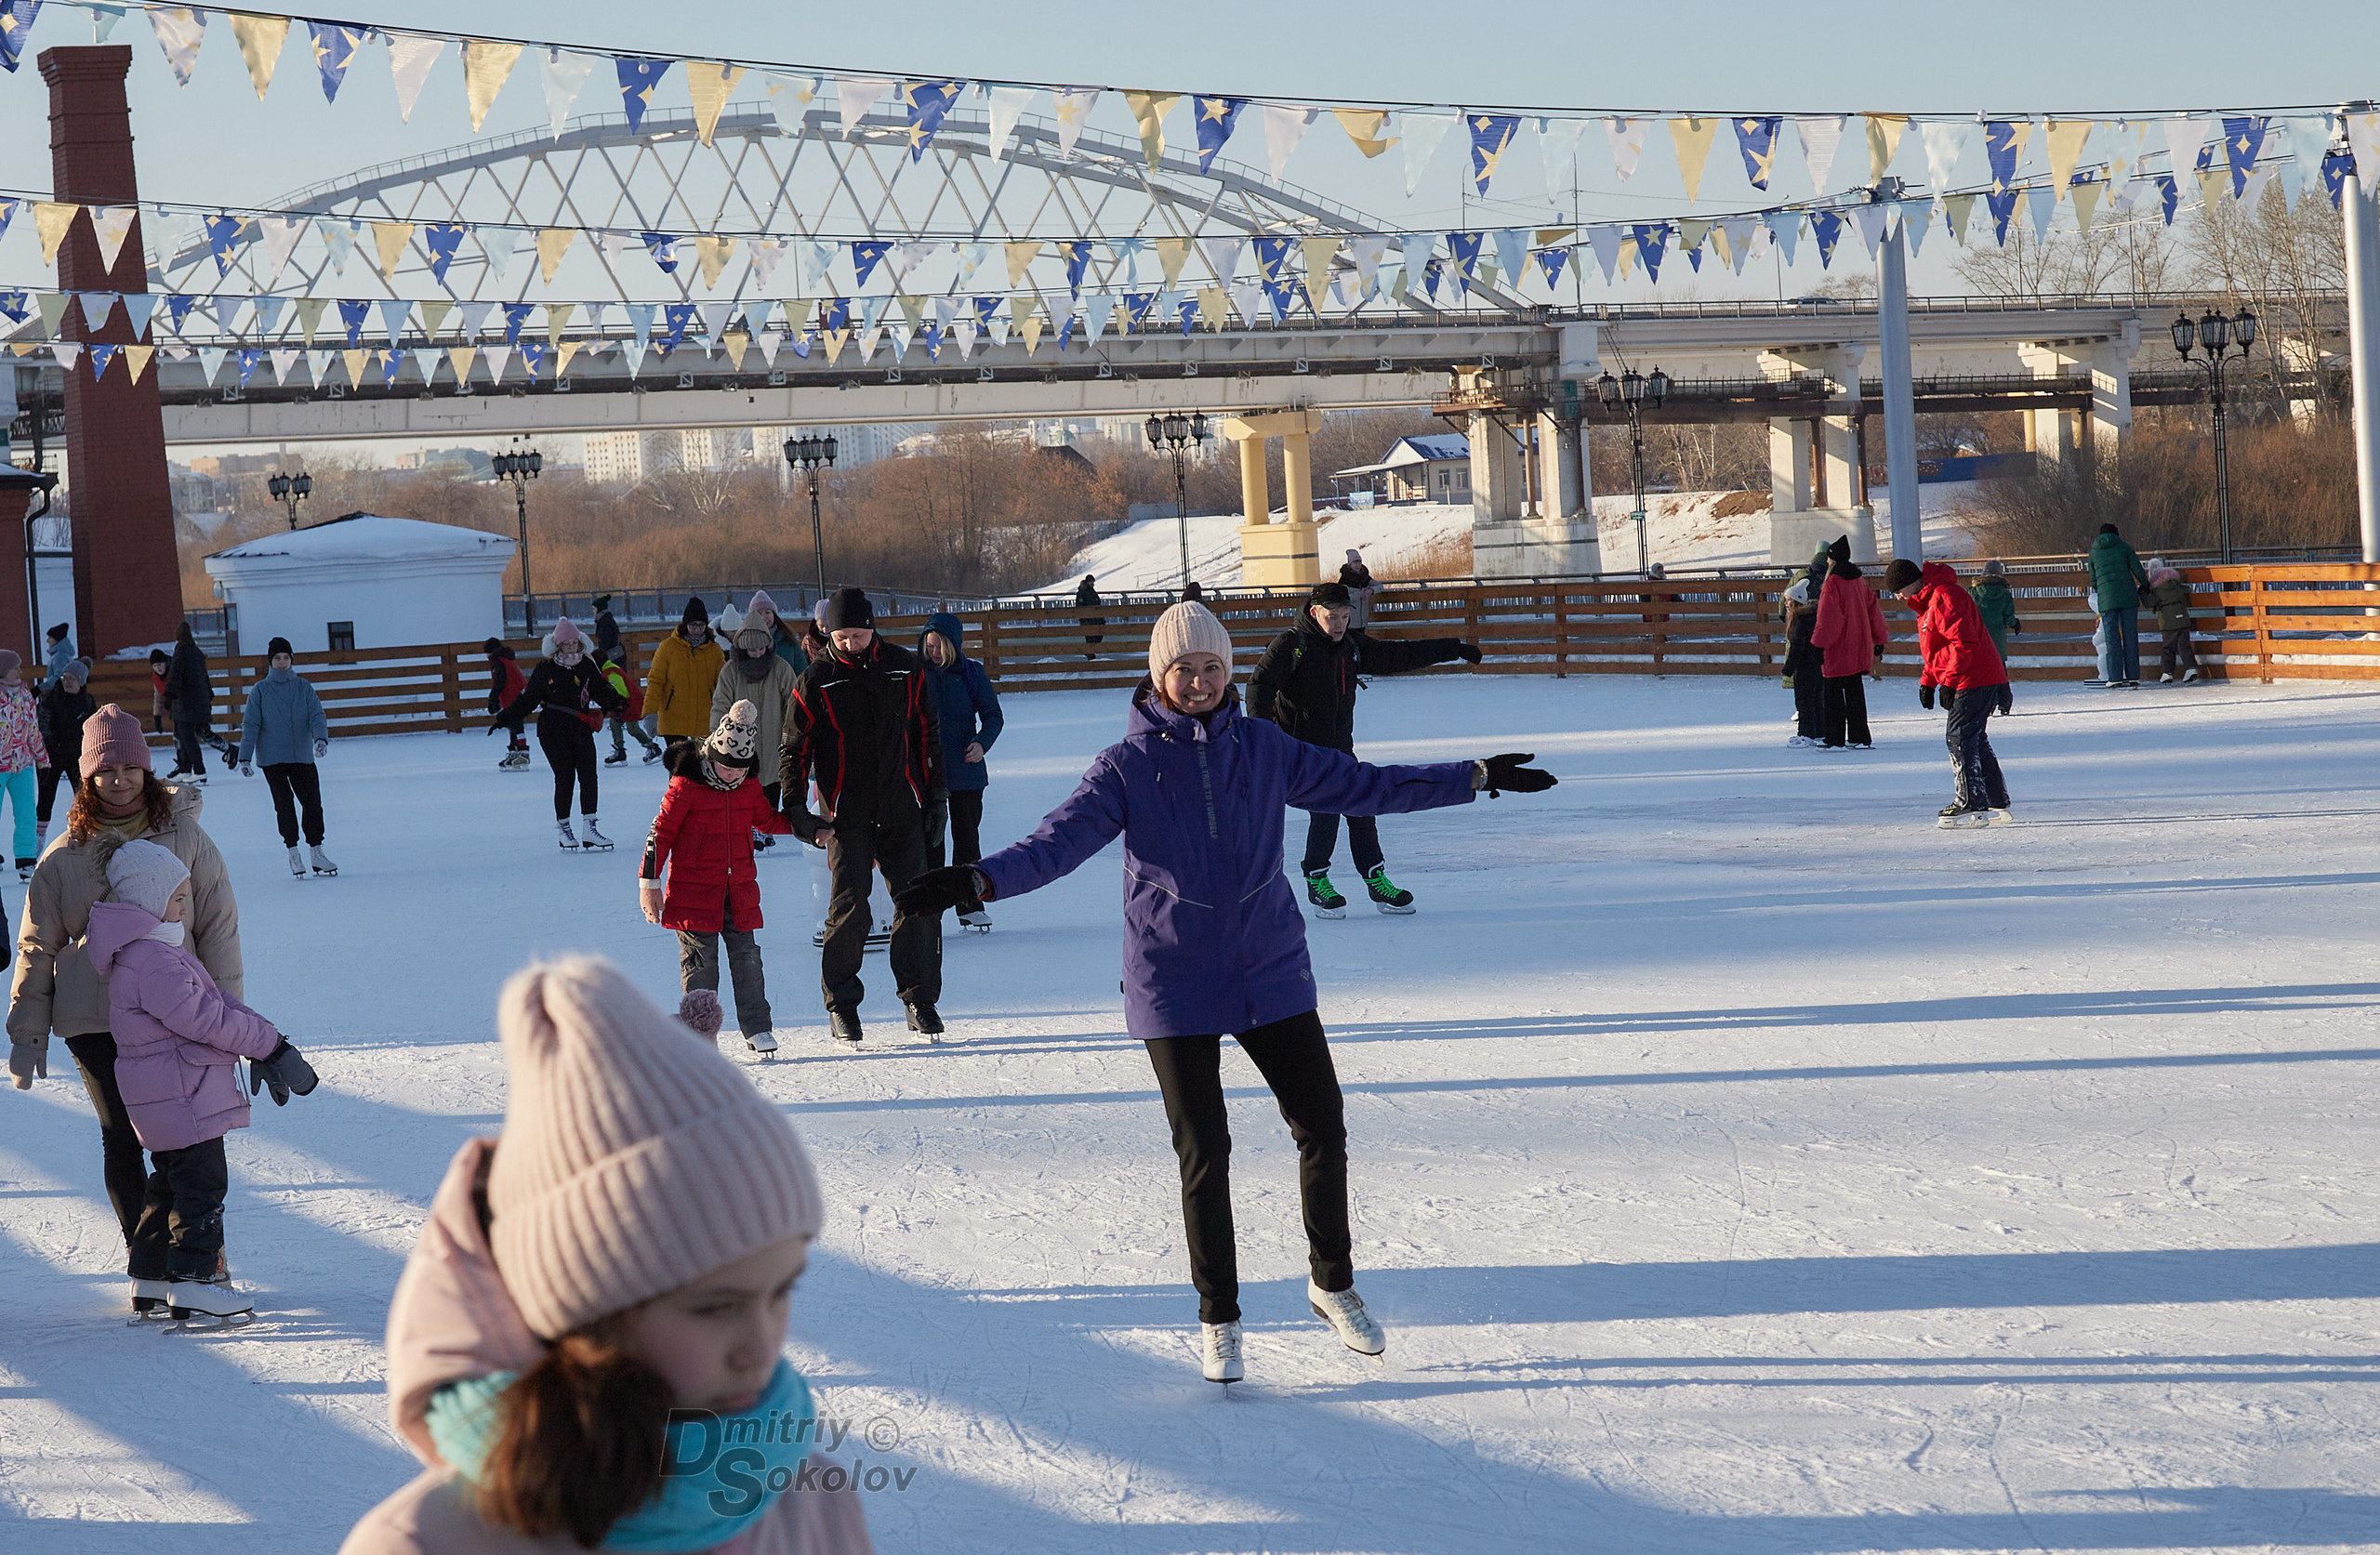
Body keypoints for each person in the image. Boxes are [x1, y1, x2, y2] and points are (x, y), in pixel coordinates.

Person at [892, 602, 1557, 1384]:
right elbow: (1058, 842)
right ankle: (1221, 1315)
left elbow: (1363, 785)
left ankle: (1332, 1282)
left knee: (1322, 1123)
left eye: (1213, 668)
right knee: (1205, 1150)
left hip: (1268, 965)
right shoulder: (1124, 768)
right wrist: (978, 878)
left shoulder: (1265, 748)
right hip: (1171, 978)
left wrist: (1473, 777)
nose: (1201, 682)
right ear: (1157, 675)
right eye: (1185, 669)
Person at [337, 956, 870, 1555]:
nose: (761, 1348)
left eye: (781, 1292)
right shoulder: (426, 1544)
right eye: (715, 1308)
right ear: (589, 1313)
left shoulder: (809, 1501)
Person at [7, 705, 247, 1321]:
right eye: (104, 769)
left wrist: (226, 1011)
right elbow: (38, 944)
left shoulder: (186, 837)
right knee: (123, 1134)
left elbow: (217, 923)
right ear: (86, 777)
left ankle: (184, 1255)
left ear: (146, 768)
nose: (118, 779)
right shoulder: (65, 856)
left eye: (129, 767)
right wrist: (28, 1032)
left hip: (175, 1011)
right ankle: (151, 1260)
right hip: (95, 1019)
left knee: (188, 1132)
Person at [82, 835, 313, 1324]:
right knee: (203, 1187)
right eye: (178, 898)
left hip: (171, 1095)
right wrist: (268, 1046)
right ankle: (196, 1282)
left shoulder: (155, 952)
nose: (186, 907)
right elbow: (204, 1019)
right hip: (184, 1096)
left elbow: (218, 1003)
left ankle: (151, 1278)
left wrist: (265, 1034)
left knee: (168, 1182)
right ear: (147, 901)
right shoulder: (154, 960)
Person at [1249, 580, 1482, 916]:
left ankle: (1375, 880)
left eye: (1346, 616)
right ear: (1315, 613)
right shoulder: (1292, 645)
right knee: (1327, 809)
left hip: (1339, 747)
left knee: (1362, 806)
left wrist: (1454, 648)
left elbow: (1399, 655)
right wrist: (1265, 737)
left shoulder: (1351, 646)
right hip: (1300, 752)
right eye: (1334, 617)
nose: (1341, 624)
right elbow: (1259, 686)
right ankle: (1317, 881)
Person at [778, 587, 942, 1045]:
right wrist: (797, 811)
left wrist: (937, 797)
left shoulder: (905, 668)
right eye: (841, 636)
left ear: (873, 628)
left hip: (901, 808)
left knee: (918, 904)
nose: (850, 643)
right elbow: (793, 751)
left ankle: (919, 999)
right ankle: (842, 1006)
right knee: (850, 911)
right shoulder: (816, 680)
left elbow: (928, 734)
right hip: (845, 816)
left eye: (858, 634)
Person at [641, 701, 794, 1060]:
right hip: (693, 894)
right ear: (712, 755)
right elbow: (659, 833)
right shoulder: (685, 787)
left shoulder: (748, 787)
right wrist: (649, 884)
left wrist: (810, 826)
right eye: (725, 768)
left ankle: (758, 1028)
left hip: (738, 891)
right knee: (700, 965)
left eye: (739, 770)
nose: (731, 775)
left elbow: (768, 821)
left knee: (748, 961)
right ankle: (697, 1036)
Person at [1885, 558, 2014, 828]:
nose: (1897, 597)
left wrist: (1950, 682)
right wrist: (1928, 681)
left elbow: (1963, 642)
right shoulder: (1927, 604)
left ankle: (1970, 801)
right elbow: (1937, 650)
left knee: (1959, 737)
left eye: (1898, 590)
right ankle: (1993, 797)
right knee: (1974, 737)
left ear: (1910, 583)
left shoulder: (1944, 596)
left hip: (1975, 676)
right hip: (1973, 675)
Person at [498, 618, 628, 852]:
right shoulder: (545, 668)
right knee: (565, 777)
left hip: (581, 728)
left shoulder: (587, 665)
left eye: (574, 643)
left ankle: (590, 828)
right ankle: (564, 828)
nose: (571, 647)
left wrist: (617, 703)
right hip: (553, 730)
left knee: (589, 776)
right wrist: (506, 716)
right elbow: (528, 699)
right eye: (566, 643)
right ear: (557, 645)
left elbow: (600, 689)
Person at [918, 611, 1004, 932]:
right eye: (929, 645)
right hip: (929, 773)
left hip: (967, 771)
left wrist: (982, 743)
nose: (934, 652)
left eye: (939, 645)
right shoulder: (917, 676)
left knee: (967, 841)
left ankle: (970, 905)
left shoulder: (972, 674)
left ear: (953, 645)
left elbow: (993, 716)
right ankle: (930, 907)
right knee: (932, 842)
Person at [237, 636, 336, 878]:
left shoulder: (303, 687)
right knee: (285, 805)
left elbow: (317, 715)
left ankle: (316, 852)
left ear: (291, 659)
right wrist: (244, 757)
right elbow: (251, 725)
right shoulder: (260, 691)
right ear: (271, 661)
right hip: (273, 758)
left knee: (312, 803)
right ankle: (293, 852)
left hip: (301, 756)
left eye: (286, 657)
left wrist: (320, 739)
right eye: (277, 658)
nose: (282, 662)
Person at [711, 605, 800, 850]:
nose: (758, 653)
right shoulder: (730, 671)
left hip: (774, 740)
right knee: (744, 786)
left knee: (771, 785)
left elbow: (793, 704)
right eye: (752, 649)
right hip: (739, 744)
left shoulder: (781, 668)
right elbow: (720, 704)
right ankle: (745, 828)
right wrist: (719, 738)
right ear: (742, 648)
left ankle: (763, 828)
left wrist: (793, 734)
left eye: (762, 648)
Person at [1812, 542, 1887, 751]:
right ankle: (1859, 736)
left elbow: (1828, 618)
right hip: (1858, 647)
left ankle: (1834, 737)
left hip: (1837, 649)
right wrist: (1879, 639)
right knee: (1855, 694)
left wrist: (1819, 645)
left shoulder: (1832, 583)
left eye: (1828, 558)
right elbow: (1874, 610)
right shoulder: (1859, 580)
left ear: (1833, 559)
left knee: (1833, 695)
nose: (1827, 562)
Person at [646, 596, 724, 749]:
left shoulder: (714, 650)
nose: (697, 630)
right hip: (673, 719)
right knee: (678, 768)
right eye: (693, 625)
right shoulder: (668, 647)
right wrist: (650, 712)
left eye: (701, 625)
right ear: (685, 624)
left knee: (704, 768)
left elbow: (724, 683)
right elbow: (655, 681)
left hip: (705, 719)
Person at [35, 656, 94, 851]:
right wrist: (50, 742)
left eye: (72, 679)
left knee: (83, 795)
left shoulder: (86, 701)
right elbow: (42, 721)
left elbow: (92, 726)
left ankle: (83, 832)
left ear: (81, 682)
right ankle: (37, 842)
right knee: (45, 799)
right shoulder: (50, 697)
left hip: (76, 756)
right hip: (51, 755)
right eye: (65, 677)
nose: (67, 681)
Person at [0, 649, 48, 879]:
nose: (20, 670)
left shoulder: (25, 694)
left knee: (27, 813)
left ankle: (26, 859)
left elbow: (33, 729)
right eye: (15, 666)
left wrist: (42, 759)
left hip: (22, 764)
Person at [2086, 521, 2150, 689]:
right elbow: (2137, 569)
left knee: (2111, 639)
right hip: (2128, 598)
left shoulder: (2094, 553)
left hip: (2107, 600)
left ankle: (2114, 677)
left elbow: (2093, 579)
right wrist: (2145, 584)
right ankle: (2133, 677)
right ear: (2116, 534)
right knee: (2130, 637)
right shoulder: (2124, 547)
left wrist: (2102, 590)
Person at [165, 621, 230, 781]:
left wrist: (169, 695)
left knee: (186, 736)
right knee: (186, 735)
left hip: (185, 704)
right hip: (197, 703)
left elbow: (175, 676)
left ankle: (199, 771)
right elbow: (204, 679)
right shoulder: (197, 653)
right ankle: (186, 770)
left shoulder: (180, 653)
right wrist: (208, 696)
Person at [598, 644, 663, 766]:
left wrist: (617, 708)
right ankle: (620, 751)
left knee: (632, 729)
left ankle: (653, 748)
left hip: (629, 704)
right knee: (614, 724)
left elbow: (622, 691)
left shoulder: (610, 673)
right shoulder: (608, 669)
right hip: (623, 704)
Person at [1779, 576, 1824, 747]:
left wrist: (1788, 668)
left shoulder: (1799, 620)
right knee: (1817, 699)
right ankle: (1820, 731)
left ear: (1797, 602)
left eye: (1789, 601)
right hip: (1817, 665)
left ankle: (1806, 733)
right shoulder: (1812, 617)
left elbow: (1796, 647)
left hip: (1805, 667)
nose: (1786, 604)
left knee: (1804, 701)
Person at [2145, 559, 2203, 683]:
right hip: (2183, 619)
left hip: (2168, 622)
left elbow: (2148, 603)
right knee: (2185, 646)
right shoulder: (2177, 586)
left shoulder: (2157, 590)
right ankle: (2190, 668)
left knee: (2168, 647)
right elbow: (2187, 590)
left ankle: (2167, 672)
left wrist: (2142, 592)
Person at [483, 638, 530, 771]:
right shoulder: (506, 658)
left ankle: (522, 754)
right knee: (514, 724)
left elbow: (500, 681)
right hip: (518, 693)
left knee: (516, 725)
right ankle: (516, 751)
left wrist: (493, 698)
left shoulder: (497, 661)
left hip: (512, 696)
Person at [745, 587, 811, 675]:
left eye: (767, 612)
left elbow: (802, 671)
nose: (764, 618)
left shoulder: (787, 639)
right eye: (758, 614)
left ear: (774, 615)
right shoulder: (745, 642)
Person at [1969, 559, 2022, 664]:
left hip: (1977, 640)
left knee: (1979, 673)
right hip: (1997, 642)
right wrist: (2015, 624)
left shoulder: (1973, 593)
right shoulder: (2004, 594)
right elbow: (2009, 617)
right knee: (1999, 674)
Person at [1337, 548, 1377, 627]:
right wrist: (1358, 595)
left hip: (1363, 620)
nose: (1357, 565)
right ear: (1350, 564)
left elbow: (1380, 586)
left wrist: (1372, 590)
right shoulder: (1344, 579)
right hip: (1350, 621)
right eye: (1355, 563)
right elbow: (1341, 596)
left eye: (1359, 563)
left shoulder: (1365, 577)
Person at [1075, 573, 1104, 659]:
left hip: (1096, 618)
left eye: (1093, 582)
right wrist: (1083, 618)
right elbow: (1079, 606)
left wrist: (1101, 618)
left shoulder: (1092, 591)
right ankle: (1090, 656)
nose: (1092, 584)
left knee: (1098, 636)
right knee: (1090, 638)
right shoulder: (1082, 592)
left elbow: (1097, 603)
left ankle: (1090, 653)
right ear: (1087, 582)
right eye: (1091, 582)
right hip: (1087, 619)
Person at [41, 621, 73, 692]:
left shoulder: (59, 656)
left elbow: (58, 676)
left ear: (57, 639)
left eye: (50, 638)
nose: (47, 641)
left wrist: (40, 688)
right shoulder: (64, 654)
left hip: (59, 694)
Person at [588, 593, 621, 663]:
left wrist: (601, 657)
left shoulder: (605, 623)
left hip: (611, 658)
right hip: (614, 656)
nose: (593, 612)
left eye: (594, 609)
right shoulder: (606, 620)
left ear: (599, 610)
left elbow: (605, 642)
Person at [148, 648, 170, 734]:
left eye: (160, 664)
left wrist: (171, 699)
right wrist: (157, 717)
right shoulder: (158, 679)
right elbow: (158, 697)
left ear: (165, 663)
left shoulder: (175, 672)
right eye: (155, 666)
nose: (158, 668)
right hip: (177, 711)